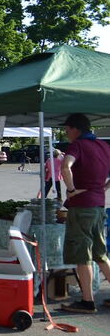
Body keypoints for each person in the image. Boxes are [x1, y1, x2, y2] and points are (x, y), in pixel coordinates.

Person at [59, 114, 110, 314]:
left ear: (75, 129)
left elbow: (65, 167)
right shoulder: (104, 146)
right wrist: (103, 189)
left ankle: (87, 301)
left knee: (83, 254)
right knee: (100, 253)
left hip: (81, 207)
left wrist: (71, 190)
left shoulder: (77, 146)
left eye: (67, 130)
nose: (66, 133)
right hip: (98, 206)